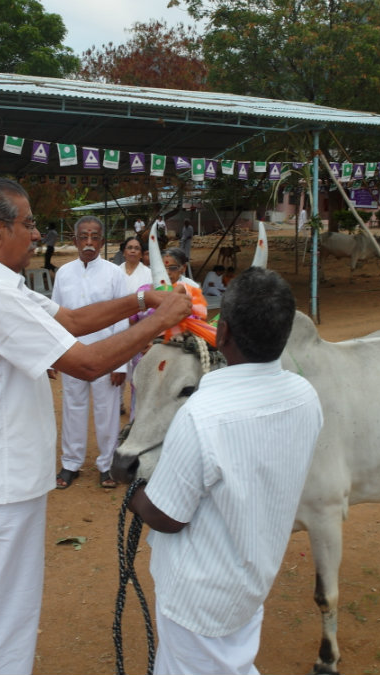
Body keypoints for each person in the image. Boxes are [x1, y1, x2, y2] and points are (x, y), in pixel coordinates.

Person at [0, 177, 191, 675]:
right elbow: (87, 363)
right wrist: (161, 320)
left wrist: (143, 300)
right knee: (0, 615)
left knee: (2, 606)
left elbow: (71, 320)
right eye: (28, 224)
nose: (37, 235)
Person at [130, 268, 323, 675]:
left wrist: (135, 493)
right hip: (251, 579)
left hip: (197, 596)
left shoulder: (202, 415)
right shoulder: (305, 396)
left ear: (223, 332)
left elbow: (167, 516)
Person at [52, 216, 130, 490]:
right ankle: (70, 464)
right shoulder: (64, 273)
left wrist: (120, 364)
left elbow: (122, 317)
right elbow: (56, 315)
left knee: (107, 411)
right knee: (73, 408)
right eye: (83, 237)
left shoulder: (114, 273)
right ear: (74, 240)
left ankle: (107, 465)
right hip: (73, 353)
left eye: (94, 237)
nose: (88, 242)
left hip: (107, 354)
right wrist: (54, 354)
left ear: (102, 241)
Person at [116, 236, 151, 420]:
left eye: (137, 248)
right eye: (129, 247)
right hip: (117, 324)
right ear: (123, 251)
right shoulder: (115, 272)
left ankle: (137, 410)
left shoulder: (148, 274)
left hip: (139, 325)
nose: (132, 251)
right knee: (118, 365)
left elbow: (151, 300)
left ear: (141, 253)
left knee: (138, 367)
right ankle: (118, 402)